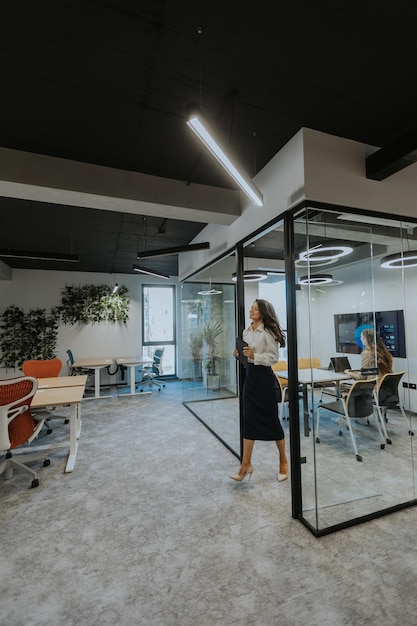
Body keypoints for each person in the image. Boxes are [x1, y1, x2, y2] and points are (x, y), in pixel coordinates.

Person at [231, 299, 288, 483]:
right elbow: (246, 356)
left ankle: (283, 461)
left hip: (265, 380)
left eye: (255, 309)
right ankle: (246, 465)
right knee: (249, 421)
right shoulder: (246, 331)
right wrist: (239, 355)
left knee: (272, 421)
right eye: (251, 308)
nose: (252, 310)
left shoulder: (269, 332)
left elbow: (273, 358)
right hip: (250, 379)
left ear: (263, 312)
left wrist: (254, 355)